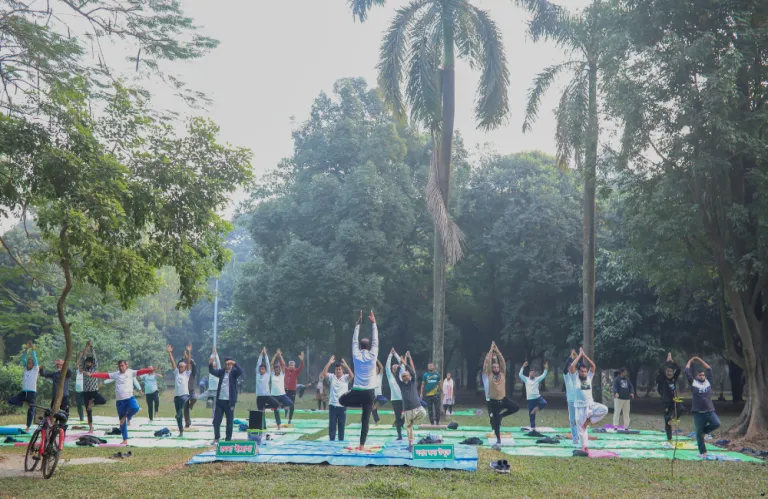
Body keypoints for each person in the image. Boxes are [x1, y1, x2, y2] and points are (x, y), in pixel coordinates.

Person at [85, 360, 154, 444]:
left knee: (135, 408)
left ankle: (126, 416)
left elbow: (140, 371)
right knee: (122, 422)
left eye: (122, 366)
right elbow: (104, 375)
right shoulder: (116, 374)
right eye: (119, 366)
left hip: (129, 398)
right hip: (120, 402)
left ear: (126, 365)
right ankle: (125, 440)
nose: (121, 367)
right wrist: (92, 375)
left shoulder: (131, 372)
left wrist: (150, 370)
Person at [339, 310, 379, 451]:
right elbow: (376, 341)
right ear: (369, 347)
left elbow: (354, 341)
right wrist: (374, 324)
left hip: (357, 392)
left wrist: (357, 325)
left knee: (341, 400)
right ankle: (362, 445)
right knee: (365, 420)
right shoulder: (373, 355)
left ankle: (361, 404)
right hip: (369, 394)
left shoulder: (356, 355)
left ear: (360, 347)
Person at [569, 348, 608, 452]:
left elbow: (593, 366)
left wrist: (584, 355)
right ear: (579, 372)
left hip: (591, 405)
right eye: (582, 371)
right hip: (580, 407)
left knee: (604, 409)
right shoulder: (575, 378)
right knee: (582, 429)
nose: (584, 373)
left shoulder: (589, 377)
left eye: (585, 371)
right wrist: (579, 356)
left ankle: (588, 421)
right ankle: (584, 447)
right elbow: (572, 366)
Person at [485, 342, 520, 450]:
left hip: (503, 400)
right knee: (496, 424)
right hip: (494, 402)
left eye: (497, 367)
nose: (496, 368)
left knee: (516, 407)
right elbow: (489, 362)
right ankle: (498, 440)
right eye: (494, 367)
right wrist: (491, 350)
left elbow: (502, 361)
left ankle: (502, 416)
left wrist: (497, 350)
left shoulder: (503, 373)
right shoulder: (490, 374)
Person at [685, 356, 719, 458]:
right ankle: (702, 452)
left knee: (717, 423)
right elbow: (686, 371)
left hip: (709, 411)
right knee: (698, 433)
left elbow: (709, 369)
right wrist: (690, 361)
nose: (702, 376)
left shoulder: (708, 382)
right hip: (698, 413)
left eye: (703, 375)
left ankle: (705, 432)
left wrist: (700, 360)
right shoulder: (693, 383)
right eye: (700, 375)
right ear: (696, 376)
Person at [209, 347, 243, 442]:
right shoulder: (221, 372)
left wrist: (234, 363)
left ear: (231, 365)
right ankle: (216, 437)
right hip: (220, 401)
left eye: (229, 364)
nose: (227, 366)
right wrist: (210, 363)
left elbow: (241, 371)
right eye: (226, 364)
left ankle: (228, 439)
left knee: (229, 422)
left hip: (229, 402)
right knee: (216, 421)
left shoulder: (234, 373)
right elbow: (212, 371)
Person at [396, 351, 426, 452]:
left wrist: (405, 363)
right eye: (403, 376)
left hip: (417, 406)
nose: (405, 377)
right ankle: (410, 444)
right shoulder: (401, 385)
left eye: (406, 375)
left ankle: (412, 421)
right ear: (402, 378)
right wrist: (400, 364)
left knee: (424, 413)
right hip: (407, 409)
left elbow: (412, 372)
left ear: (409, 377)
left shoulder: (413, 382)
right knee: (409, 428)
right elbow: (396, 375)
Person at [8, 341, 39, 431]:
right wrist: (26, 349)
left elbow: (35, 359)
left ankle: (28, 426)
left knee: (31, 409)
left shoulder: (35, 369)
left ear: (33, 364)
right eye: (28, 362)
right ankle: (22, 403)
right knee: (11, 400)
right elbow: (23, 359)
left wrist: (33, 350)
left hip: (31, 393)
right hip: (24, 392)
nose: (29, 363)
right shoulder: (25, 369)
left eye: (31, 362)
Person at [321, 355, 353, 441]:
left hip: (342, 406)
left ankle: (340, 442)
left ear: (342, 370)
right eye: (336, 369)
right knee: (332, 425)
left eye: (339, 369)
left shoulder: (345, 378)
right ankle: (331, 442)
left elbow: (351, 375)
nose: (338, 371)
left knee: (341, 426)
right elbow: (324, 373)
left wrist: (346, 365)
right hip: (333, 405)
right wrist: (329, 363)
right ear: (334, 371)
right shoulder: (332, 377)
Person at [79, 341, 107, 433]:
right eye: (86, 362)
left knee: (103, 400)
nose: (87, 364)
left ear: (91, 363)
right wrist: (86, 346)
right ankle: (90, 428)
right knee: (88, 410)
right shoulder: (84, 367)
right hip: (86, 391)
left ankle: (92, 402)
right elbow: (83, 356)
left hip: (94, 390)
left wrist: (91, 347)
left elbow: (94, 357)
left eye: (89, 362)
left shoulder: (94, 368)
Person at [255, 347, 283, 430]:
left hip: (267, 396)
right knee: (261, 413)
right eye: (260, 369)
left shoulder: (267, 374)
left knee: (277, 404)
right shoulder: (257, 374)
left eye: (262, 369)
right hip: (259, 398)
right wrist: (261, 354)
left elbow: (267, 364)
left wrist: (265, 354)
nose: (261, 370)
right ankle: (263, 427)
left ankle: (265, 407)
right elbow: (258, 363)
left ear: (265, 370)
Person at [167, 344, 192, 437]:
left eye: (182, 367)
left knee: (182, 406)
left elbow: (188, 363)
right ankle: (181, 431)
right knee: (179, 417)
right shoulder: (177, 373)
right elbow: (173, 363)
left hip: (184, 395)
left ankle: (180, 411)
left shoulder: (187, 374)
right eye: (179, 366)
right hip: (177, 396)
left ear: (185, 368)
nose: (180, 368)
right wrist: (170, 353)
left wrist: (189, 352)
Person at [520, 361, 549, 430]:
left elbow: (543, 375)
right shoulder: (526, 379)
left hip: (537, 397)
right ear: (529, 374)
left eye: (533, 373)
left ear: (534, 374)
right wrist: (523, 367)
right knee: (531, 415)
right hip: (530, 399)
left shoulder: (537, 379)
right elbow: (520, 374)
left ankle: (536, 408)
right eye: (531, 373)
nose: (532, 374)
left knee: (544, 403)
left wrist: (546, 369)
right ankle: (533, 428)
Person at [269, 349, 294, 426]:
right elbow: (271, 364)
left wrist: (280, 356)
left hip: (282, 394)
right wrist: (275, 356)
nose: (277, 371)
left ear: (280, 370)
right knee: (276, 410)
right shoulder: (272, 375)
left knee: (290, 404)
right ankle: (278, 423)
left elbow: (283, 364)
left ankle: (284, 407)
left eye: (278, 370)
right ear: (274, 370)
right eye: (276, 370)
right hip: (274, 395)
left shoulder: (282, 374)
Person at [386, 348, 405, 440]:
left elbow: (402, 364)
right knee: (397, 417)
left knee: (407, 415)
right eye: (393, 368)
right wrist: (390, 355)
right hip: (395, 400)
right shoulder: (390, 377)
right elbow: (387, 367)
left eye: (396, 368)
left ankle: (401, 422)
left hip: (404, 399)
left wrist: (395, 354)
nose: (395, 369)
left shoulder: (402, 375)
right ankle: (399, 435)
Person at [563, 350, 581, 446]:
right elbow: (564, 368)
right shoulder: (566, 377)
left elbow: (581, 366)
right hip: (571, 401)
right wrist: (570, 357)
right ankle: (575, 439)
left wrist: (578, 356)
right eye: (570, 367)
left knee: (580, 420)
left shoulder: (578, 375)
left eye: (572, 366)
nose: (571, 368)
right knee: (573, 421)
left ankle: (580, 436)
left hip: (579, 401)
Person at [179, 343, 198, 429]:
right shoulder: (182, 373)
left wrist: (189, 353)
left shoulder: (192, 373)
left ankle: (191, 405)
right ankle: (187, 423)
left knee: (194, 398)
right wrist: (183, 358)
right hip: (184, 393)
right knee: (185, 408)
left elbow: (192, 364)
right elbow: (179, 365)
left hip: (191, 391)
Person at [283, 352, 304, 424]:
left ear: (294, 366)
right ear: (288, 366)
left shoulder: (296, 371)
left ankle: (290, 419)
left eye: (292, 365)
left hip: (292, 391)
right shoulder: (286, 370)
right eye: (290, 365)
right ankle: (286, 409)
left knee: (291, 405)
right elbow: (282, 364)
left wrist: (302, 361)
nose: (291, 366)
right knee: (283, 402)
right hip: (286, 390)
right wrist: (279, 356)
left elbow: (301, 367)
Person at [420, 361, 441, 425]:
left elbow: (440, 383)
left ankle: (437, 421)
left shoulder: (437, 374)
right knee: (430, 409)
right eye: (429, 366)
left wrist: (442, 392)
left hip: (436, 394)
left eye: (431, 366)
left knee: (437, 408)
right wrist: (421, 393)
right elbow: (423, 384)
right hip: (428, 394)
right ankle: (432, 422)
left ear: (433, 366)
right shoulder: (425, 375)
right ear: (427, 367)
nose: (430, 367)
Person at [372, 359, 388, 425]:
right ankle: (377, 422)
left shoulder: (379, 376)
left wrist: (377, 360)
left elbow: (382, 368)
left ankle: (376, 406)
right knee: (373, 410)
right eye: (375, 369)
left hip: (379, 395)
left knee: (384, 400)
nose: (376, 370)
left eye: (377, 369)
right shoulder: (371, 377)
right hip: (373, 395)